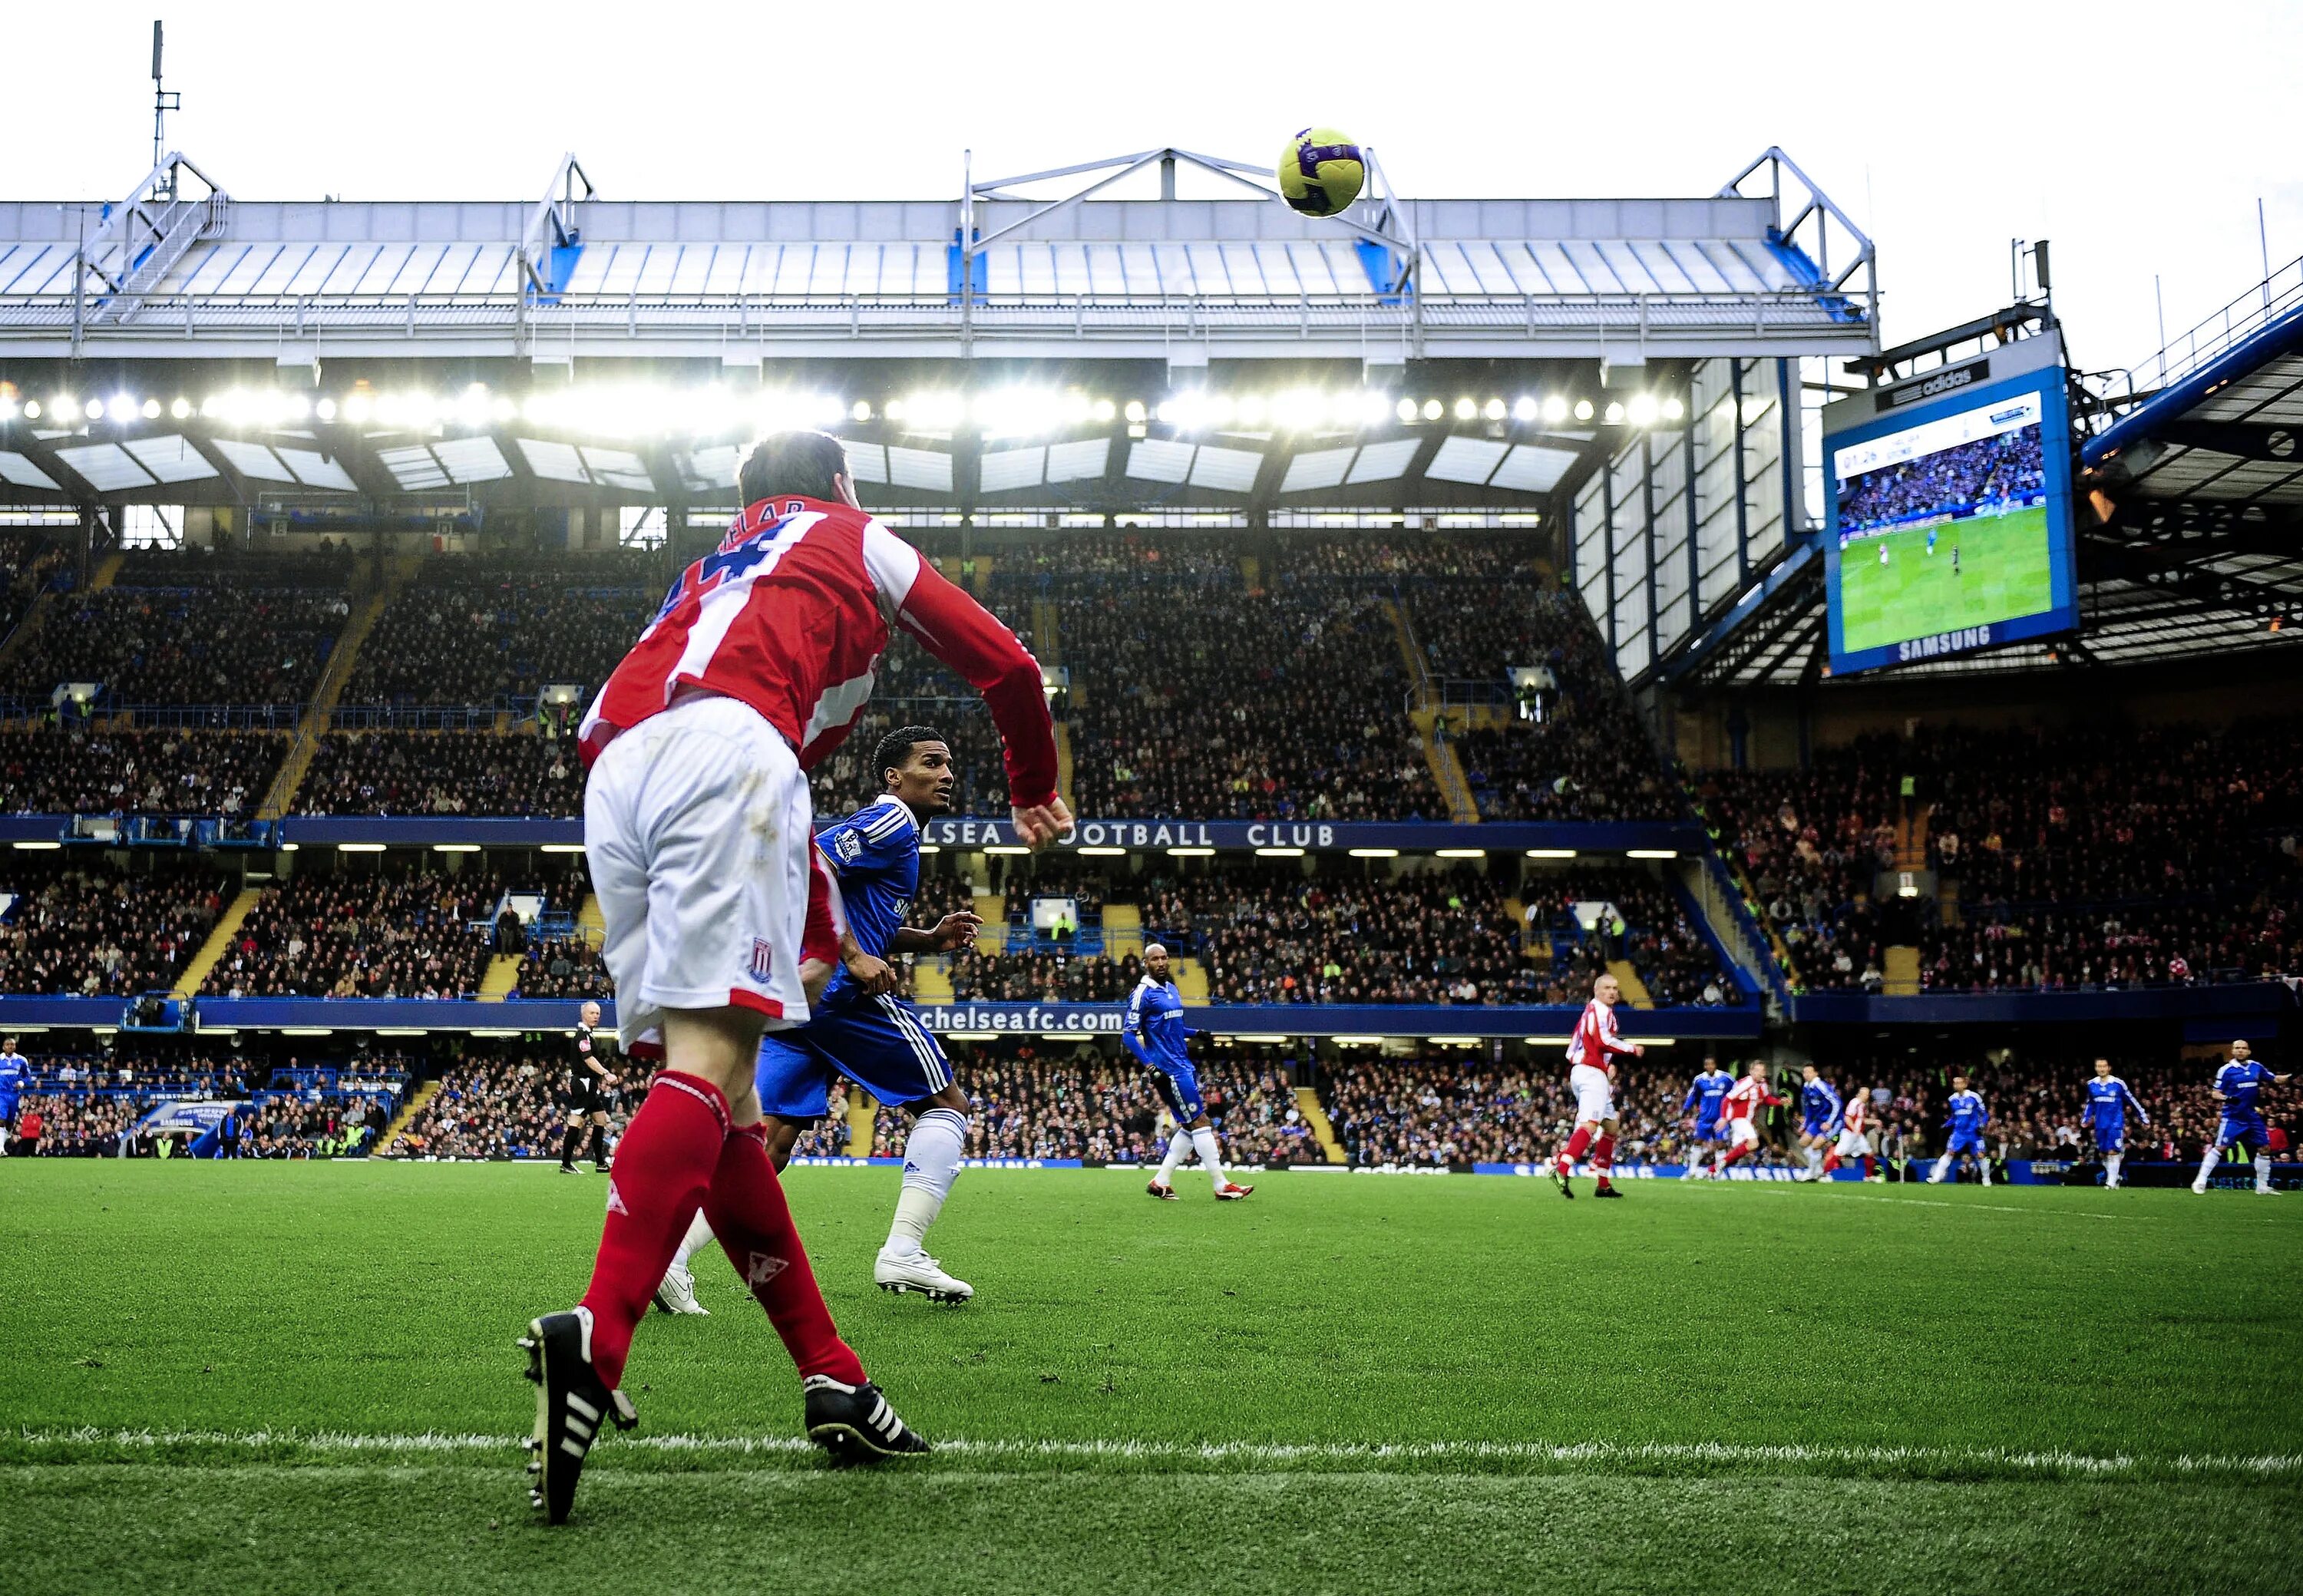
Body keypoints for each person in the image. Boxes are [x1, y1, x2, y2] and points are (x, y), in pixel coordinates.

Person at [520, 429, 1068, 1524]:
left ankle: (833, 1373)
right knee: (713, 1062)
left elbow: (622, 729)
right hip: (731, 751)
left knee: (726, 1100)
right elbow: (1007, 662)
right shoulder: (851, 533)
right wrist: (1032, 780)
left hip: (616, 766)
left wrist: (810, 899)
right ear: (839, 483)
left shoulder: (705, 569)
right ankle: (601, 1338)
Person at [659, 727, 990, 1311]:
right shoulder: (889, 822)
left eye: (948, 763)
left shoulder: (900, 837)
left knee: (773, 1139)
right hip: (837, 994)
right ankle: (904, 1250)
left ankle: (672, 1258)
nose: (945, 774)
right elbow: (807, 865)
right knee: (945, 1106)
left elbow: (857, 909)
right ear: (895, 776)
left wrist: (926, 940)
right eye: (931, 763)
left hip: (798, 996)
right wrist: (855, 955)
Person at [1128, 943, 1253, 1201]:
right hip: (1168, 1070)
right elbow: (1128, 1035)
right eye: (1155, 959)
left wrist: (1198, 1034)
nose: (1161, 963)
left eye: (1164, 958)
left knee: (1188, 1124)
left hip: (1182, 1064)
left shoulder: (1171, 989)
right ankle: (1221, 1185)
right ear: (1145, 963)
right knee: (1201, 1122)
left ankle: (1161, 1181)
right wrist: (1150, 1066)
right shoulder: (1142, 993)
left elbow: (1174, 1027)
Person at [1552, 971, 1642, 1199]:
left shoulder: (1596, 1011)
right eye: (1607, 988)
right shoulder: (1600, 1010)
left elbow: (1589, 1043)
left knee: (1611, 1126)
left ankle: (1603, 1184)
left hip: (1590, 1072)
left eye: (1615, 988)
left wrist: (1606, 1065)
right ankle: (1561, 1168)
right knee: (1591, 1124)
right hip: (1591, 1074)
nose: (1613, 992)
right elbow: (1602, 1041)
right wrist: (1631, 1048)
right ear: (1597, 991)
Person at [2192, 1039, 2291, 1195]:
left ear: (2249, 1051)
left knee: (2265, 1149)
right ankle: (2200, 1181)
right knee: (2220, 1147)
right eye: (2237, 1048)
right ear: (2232, 1051)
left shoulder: (2256, 1067)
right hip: (2232, 1116)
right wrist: (2227, 1099)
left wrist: (2289, 1077)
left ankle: (2262, 1186)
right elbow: (2215, 1093)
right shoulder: (2226, 1070)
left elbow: (2275, 1079)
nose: (2240, 1051)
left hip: (2251, 1116)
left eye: (2243, 1048)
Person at [557, 1002, 616, 1175]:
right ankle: (566, 1164)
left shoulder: (588, 1035)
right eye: (592, 1013)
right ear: (584, 1015)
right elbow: (588, 1059)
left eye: (598, 1013)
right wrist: (606, 1074)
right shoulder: (583, 1035)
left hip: (590, 1085)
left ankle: (600, 1163)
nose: (596, 1016)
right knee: (576, 1121)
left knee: (600, 1120)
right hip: (584, 1084)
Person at [2082, 1058, 2149, 1190]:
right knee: (2102, 1153)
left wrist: (2143, 1117)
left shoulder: (2118, 1084)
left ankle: (2110, 1182)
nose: (2101, 1069)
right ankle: (2116, 1176)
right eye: (2099, 1066)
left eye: (2104, 1066)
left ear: (2109, 1068)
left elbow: (2132, 1100)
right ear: (2096, 1068)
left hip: (2115, 1123)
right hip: (2100, 1124)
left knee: (2113, 1152)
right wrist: (2086, 1118)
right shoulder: (2091, 1084)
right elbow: (2090, 1103)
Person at [1710, 1059, 1782, 1177]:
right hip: (1739, 1119)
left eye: (1762, 1070)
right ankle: (1721, 1163)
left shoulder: (1763, 1084)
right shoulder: (1745, 1084)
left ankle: (1712, 1170)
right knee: (1754, 1143)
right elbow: (1727, 1100)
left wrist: (1779, 1102)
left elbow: (1766, 1099)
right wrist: (1723, 1118)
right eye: (1757, 1070)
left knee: (1736, 1154)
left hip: (1749, 1121)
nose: (1760, 1073)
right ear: (1751, 1071)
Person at [1928, 1075, 1992, 1185]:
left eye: (1958, 1082)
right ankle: (1936, 1177)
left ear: (1965, 1084)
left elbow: (1984, 1114)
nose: (1956, 1085)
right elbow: (1954, 1116)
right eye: (1954, 1083)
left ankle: (1986, 1179)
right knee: (1949, 1153)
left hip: (1973, 1132)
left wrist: (1982, 1125)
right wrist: (1946, 1124)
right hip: (1959, 1132)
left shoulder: (1974, 1097)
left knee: (1980, 1155)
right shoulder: (1952, 1099)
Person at [1677, 1055, 1733, 1178]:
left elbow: (1736, 1091)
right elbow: (1693, 1095)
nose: (1710, 1066)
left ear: (1715, 1065)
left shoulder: (1726, 1078)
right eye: (1707, 1064)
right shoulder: (1700, 1080)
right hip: (1705, 1118)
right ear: (1705, 1066)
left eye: (1712, 1064)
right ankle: (1691, 1171)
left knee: (1720, 1144)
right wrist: (1686, 1109)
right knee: (1697, 1142)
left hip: (1720, 1118)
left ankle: (1719, 1173)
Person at [1793, 1064, 1842, 1183]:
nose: (1806, 1075)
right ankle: (1819, 1171)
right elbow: (1809, 1108)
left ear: (1816, 1073)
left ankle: (1811, 1173)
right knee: (1803, 1142)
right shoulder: (1806, 1086)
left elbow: (1837, 1104)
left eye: (1809, 1072)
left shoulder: (1821, 1086)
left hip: (1834, 1121)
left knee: (1815, 1146)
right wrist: (1805, 1124)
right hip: (1819, 1121)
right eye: (1804, 1072)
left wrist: (1830, 1122)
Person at [1820, 1087, 1878, 1181]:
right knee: (1838, 1153)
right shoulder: (1854, 1103)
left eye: (1868, 1094)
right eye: (1866, 1094)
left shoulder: (1862, 1105)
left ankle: (1868, 1176)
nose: (1867, 1096)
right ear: (1860, 1094)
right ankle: (1825, 1174)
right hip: (1849, 1134)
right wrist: (1854, 1129)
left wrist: (1875, 1121)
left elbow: (1861, 1120)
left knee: (1869, 1153)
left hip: (1857, 1135)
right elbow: (1847, 1118)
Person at [0, 1037, 25, 1158]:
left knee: (10, 1122)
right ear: (3, 1047)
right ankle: (1, 1149)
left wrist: (22, 1083)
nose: (10, 1046)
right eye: (7, 1044)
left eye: (12, 1045)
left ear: (15, 1047)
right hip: (1, 1094)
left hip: (14, 1095)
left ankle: (5, 1138)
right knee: (1, 1118)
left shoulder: (21, 1060)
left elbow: (27, 1076)